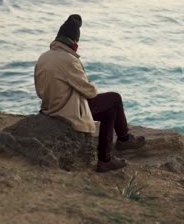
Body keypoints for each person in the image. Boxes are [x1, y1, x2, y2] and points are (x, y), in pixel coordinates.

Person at [34, 14, 145, 172]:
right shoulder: (68, 60)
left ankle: (107, 158)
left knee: (109, 112)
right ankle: (122, 140)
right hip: (65, 110)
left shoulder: (43, 57)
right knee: (114, 99)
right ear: (74, 43)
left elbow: (40, 91)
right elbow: (90, 92)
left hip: (49, 107)